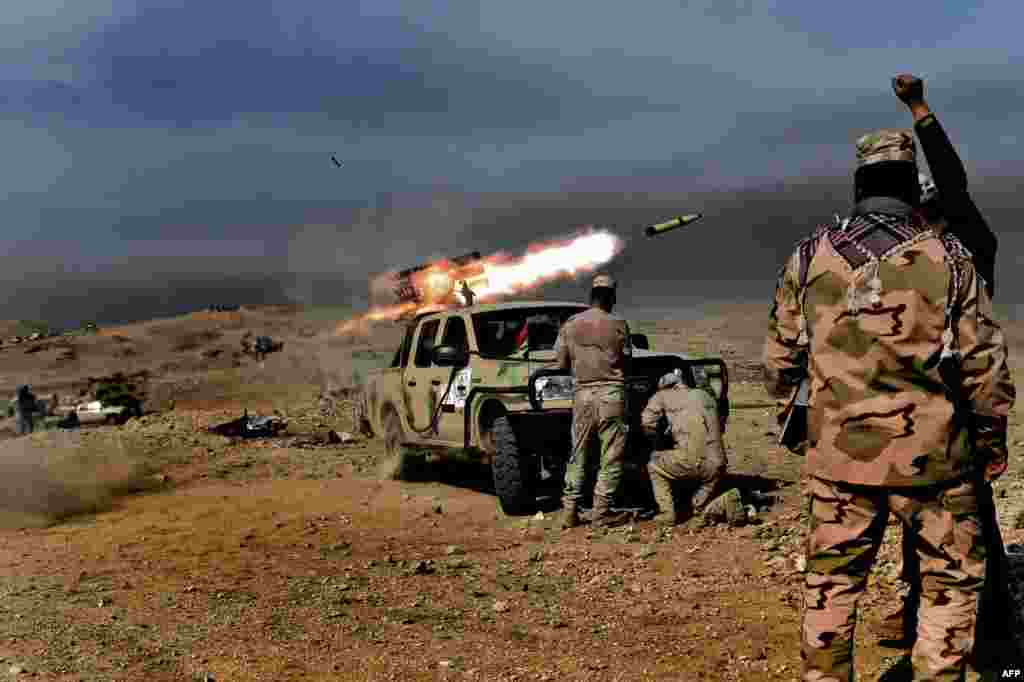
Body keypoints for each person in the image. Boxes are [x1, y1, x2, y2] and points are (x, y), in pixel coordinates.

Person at [763, 126, 1015, 679]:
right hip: (936, 463)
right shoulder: (951, 258)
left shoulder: (808, 258)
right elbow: (985, 366)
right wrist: (990, 442)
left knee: (830, 592)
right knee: (948, 588)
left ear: (859, 184)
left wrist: (803, 425)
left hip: (839, 463)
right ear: (908, 186)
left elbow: (780, 361)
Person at [878, 74, 1022, 669]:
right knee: (936, 524)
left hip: (945, 415)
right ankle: (939, 622)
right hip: (930, 415)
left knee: (964, 525)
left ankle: (984, 634)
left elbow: (954, 186)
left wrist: (919, 111)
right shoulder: (931, 259)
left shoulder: (961, 255)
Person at [556, 273, 633, 529]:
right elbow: (627, 359)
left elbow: (560, 362)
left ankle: (569, 511)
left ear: (591, 296)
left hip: (583, 395)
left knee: (577, 453)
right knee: (610, 455)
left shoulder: (570, 324)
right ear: (610, 296)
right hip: (611, 394)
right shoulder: (618, 323)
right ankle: (601, 512)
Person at [640, 370, 732, 526]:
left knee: (654, 465)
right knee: (708, 479)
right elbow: (720, 424)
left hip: (690, 461)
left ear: (664, 386)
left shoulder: (662, 395)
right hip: (718, 464)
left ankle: (667, 513)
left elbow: (647, 423)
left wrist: (658, 442)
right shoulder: (705, 395)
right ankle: (700, 506)